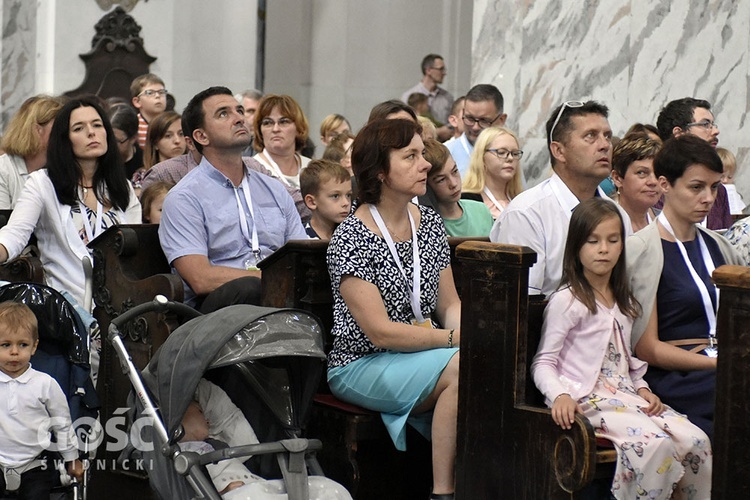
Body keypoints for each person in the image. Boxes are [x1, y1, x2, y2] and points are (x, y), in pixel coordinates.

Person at [532, 198, 711, 500]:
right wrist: (559, 395)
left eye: (613, 240)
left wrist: (642, 388)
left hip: (624, 395)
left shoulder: (623, 301)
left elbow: (625, 361)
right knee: (655, 444)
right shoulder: (568, 300)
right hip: (586, 399)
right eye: (593, 241)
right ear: (576, 246)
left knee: (695, 440)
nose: (603, 248)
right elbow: (543, 362)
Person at [327, 118, 460, 500]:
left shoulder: (429, 222)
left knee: (485, 358)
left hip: (424, 350)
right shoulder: (351, 236)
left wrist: (468, 334)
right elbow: (380, 332)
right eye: (411, 156)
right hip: (361, 362)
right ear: (380, 171)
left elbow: (449, 303)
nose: (426, 165)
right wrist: (452, 339)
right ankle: (443, 492)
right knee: (463, 365)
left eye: (423, 154)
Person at [627, 135, 744, 440]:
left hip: (723, 368)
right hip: (676, 377)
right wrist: (720, 363)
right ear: (664, 184)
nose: (708, 198)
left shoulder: (721, 246)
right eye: (696, 187)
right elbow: (648, 348)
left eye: (714, 187)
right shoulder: (641, 249)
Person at [159, 87, 308, 313]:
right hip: (213, 312)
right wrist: (269, 279)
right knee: (249, 288)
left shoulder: (274, 189)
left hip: (281, 299)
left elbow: (302, 256)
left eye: (239, 111)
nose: (239, 118)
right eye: (223, 114)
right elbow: (201, 279)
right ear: (201, 136)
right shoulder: (184, 197)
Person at [0, 96, 141, 310]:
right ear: (64, 139)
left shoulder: (122, 187)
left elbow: (134, 252)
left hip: (120, 306)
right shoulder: (42, 183)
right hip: (66, 306)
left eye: (97, 125)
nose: (91, 133)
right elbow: (15, 233)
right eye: (78, 128)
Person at [492, 100, 628, 296]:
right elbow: (521, 305)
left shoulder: (617, 213)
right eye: (591, 136)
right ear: (558, 150)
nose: (605, 145)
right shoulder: (526, 213)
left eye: (607, 136)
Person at [0, 302, 84, 498]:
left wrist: (72, 459)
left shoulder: (45, 384)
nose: (14, 352)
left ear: (34, 346)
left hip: (35, 464)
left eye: (22, 344)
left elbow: (62, 424)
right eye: (6, 345)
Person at [656, 97, 731, 230]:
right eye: (705, 124)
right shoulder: (654, 188)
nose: (715, 131)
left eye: (713, 125)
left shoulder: (719, 192)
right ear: (679, 133)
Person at [0, 95, 65, 209]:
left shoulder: (64, 167)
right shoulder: (3, 170)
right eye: (59, 126)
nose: (65, 133)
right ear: (37, 130)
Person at [423, 139, 493, 237]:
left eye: (455, 171)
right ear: (426, 184)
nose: (453, 183)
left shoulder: (481, 210)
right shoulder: (428, 225)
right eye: (441, 180)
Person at [461, 126, 524, 219]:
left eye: (515, 153)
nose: (510, 158)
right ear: (482, 156)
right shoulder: (466, 201)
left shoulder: (522, 200)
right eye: (501, 152)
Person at [445, 84, 506, 178]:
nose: (475, 127)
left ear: (501, 120)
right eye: (470, 119)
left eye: (484, 121)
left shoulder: (509, 156)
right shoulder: (445, 154)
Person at [252, 94, 311, 189]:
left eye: (283, 122)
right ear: (260, 130)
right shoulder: (252, 170)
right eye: (268, 123)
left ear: (299, 128)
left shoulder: (312, 168)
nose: (275, 129)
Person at [611, 135, 662, 232]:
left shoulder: (666, 224)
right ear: (617, 178)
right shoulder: (600, 223)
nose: (653, 182)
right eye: (641, 173)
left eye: (658, 173)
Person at [401, 54, 454, 140]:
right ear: (428, 70)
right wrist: (438, 132)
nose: (444, 73)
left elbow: (452, 120)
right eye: (440, 69)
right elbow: (404, 126)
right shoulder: (407, 96)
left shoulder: (448, 97)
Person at [132, 111, 185, 194]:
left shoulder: (195, 170)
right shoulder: (142, 176)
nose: (177, 141)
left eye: (181, 134)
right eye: (168, 136)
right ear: (155, 143)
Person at [300, 159, 352, 240]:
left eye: (348, 195)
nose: (346, 203)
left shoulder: (353, 235)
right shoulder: (300, 238)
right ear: (311, 202)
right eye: (335, 196)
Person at [130, 73, 167, 149]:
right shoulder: (133, 125)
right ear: (137, 102)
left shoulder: (172, 123)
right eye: (150, 93)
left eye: (161, 92)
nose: (157, 96)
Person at [108, 103, 143, 178]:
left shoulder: (144, 163)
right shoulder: (97, 161)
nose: (109, 145)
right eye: (106, 138)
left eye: (116, 141)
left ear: (133, 138)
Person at [717, 147, 745, 214]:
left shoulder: (736, 196)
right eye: (721, 177)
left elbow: (741, 212)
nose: (725, 181)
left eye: (730, 177)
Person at [235, 89, 263, 157]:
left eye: (260, 112)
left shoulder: (271, 146)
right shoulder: (225, 145)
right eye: (251, 111)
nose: (257, 117)